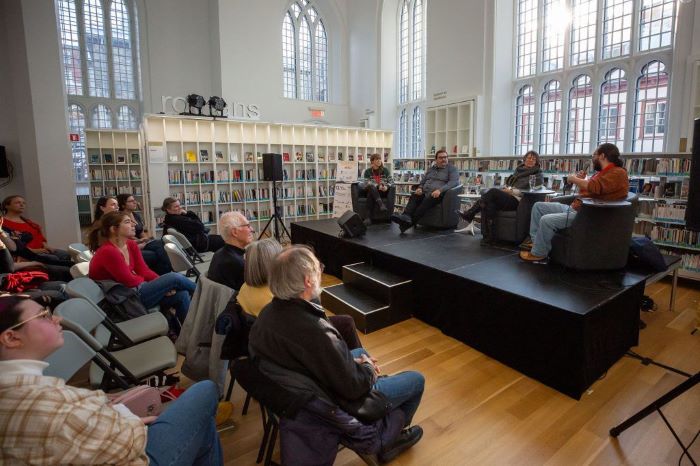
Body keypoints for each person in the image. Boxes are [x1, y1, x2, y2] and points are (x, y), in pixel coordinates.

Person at [248, 246, 424, 463]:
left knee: (358, 351)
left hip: (302, 390)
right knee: (416, 380)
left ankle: (376, 393)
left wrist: (353, 361)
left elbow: (318, 359)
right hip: (334, 401)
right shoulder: (316, 330)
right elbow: (353, 387)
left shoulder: (267, 315)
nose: (321, 271)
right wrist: (367, 368)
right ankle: (390, 440)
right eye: (318, 268)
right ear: (308, 281)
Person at [0, 295, 222, 465]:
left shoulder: (18, 388)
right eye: (44, 316)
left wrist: (107, 406)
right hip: (132, 453)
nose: (56, 318)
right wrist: (129, 420)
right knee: (205, 391)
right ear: (11, 337)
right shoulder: (47, 408)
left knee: (203, 426)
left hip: (109, 434)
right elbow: (126, 445)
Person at [238, 239, 362, 348]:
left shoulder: (245, 288)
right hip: (295, 342)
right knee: (347, 322)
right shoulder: (276, 297)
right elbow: (304, 328)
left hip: (272, 344)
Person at [520, 143, 630, 262]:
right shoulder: (602, 173)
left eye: (594, 155)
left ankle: (539, 253)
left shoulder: (618, 173)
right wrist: (582, 181)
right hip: (576, 208)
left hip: (587, 214)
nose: (592, 158)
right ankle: (537, 243)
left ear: (602, 156)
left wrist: (574, 179)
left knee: (546, 220)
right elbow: (592, 191)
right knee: (538, 207)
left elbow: (596, 187)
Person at [87, 211, 196, 328]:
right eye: (127, 222)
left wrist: (164, 286)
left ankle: (186, 335)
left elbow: (144, 271)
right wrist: (163, 285)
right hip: (123, 300)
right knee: (174, 277)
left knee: (182, 295)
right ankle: (206, 292)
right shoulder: (108, 251)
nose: (134, 224)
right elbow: (129, 281)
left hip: (133, 292)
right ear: (114, 229)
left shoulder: (130, 245)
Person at [456, 150, 543, 243]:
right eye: (529, 158)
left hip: (520, 201)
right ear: (525, 159)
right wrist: (506, 188)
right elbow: (509, 184)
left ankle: (470, 214)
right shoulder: (518, 171)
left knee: (492, 192)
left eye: (533, 159)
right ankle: (490, 237)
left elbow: (532, 190)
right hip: (509, 196)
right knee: (490, 204)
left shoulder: (537, 174)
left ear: (536, 162)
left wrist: (511, 191)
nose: (530, 160)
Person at [390, 149, 459, 233]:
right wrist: (420, 188)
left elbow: (453, 182)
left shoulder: (452, 169)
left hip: (439, 194)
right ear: (436, 160)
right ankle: (406, 216)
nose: (444, 159)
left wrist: (440, 190)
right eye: (441, 158)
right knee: (415, 195)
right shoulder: (431, 169)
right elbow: (423, 181)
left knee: (426, 202)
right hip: (425, 191)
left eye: (445, 157)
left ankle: (407, 223)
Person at [1, 195, 71, 263]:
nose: (22, 205)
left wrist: (46, 247)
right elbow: (13, 246)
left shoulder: (28, 222)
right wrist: (38, 251)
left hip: (42, 249)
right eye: (17, 202)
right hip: (26, 254)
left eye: (23, 203)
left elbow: (39, 236)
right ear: (7, 206)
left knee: (65, 254)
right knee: (53, 258)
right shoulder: (2, 223)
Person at [117, 194, 172, 275]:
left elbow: (142, 232)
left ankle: (166, 274)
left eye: (134, 200)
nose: (135, 202)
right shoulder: (121, 218)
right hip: (135, 243)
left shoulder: (136, 215)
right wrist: (140, 241)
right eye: (131, 201)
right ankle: (169, 272)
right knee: (159, 246)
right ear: (123, 204)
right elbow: (128, 236)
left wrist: (147, 239)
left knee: (160, 243)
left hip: (141, 242)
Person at [207, 211, 255, 291]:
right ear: (235, 232)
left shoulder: (219, 254)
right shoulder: (237, 263)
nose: (252, 229)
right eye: (248, 226)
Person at [359, 153, 392, 222]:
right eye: (377, 159)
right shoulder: (367, 171)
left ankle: (368, 217)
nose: (379, 161)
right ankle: (381, 204)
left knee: (370, 193)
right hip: (372, 190)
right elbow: (366, 183)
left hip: (382, 191)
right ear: (372, 161)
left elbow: (391, 181)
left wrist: (386, 186)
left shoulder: (385, 170)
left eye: (380, 159)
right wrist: (377, 186)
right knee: (371, 187)